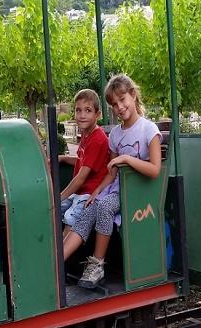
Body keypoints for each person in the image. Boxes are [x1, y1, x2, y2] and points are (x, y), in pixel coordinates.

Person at [63, 74, 162, 289]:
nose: (120, 107)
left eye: (123, 100)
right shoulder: (116, 134)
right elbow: (111, 172)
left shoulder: (148, 129)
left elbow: (155, 169)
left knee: (105, 207)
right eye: (114, 104)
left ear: (133, 96)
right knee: (90, 207)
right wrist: (98, 191)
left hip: (138, 190)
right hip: (117, 189)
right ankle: (55, 263)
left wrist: (127, 159)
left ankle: (97, 264)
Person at [58, 89, 110, 229]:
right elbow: (82, 161)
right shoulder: (87, 134)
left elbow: (81, 178)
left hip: (89, 193)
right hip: (80, 191)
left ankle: (63, 250)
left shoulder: (97, 139)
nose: (82, 115)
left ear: (97, 114)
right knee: (53, 211)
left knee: (70, 216)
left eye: (88, 110)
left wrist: (59, 197)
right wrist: (63, 158)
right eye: (78, 110)